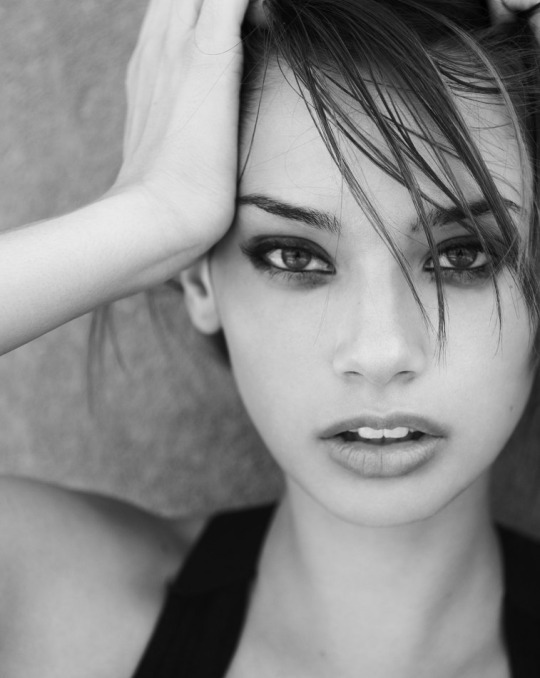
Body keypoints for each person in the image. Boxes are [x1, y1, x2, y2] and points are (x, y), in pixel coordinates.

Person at [1, 0, 539, 676]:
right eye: (295, 256)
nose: (378, 353)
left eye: (463, 255)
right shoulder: (52, 608)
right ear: (198, 279)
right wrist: (151, 217)